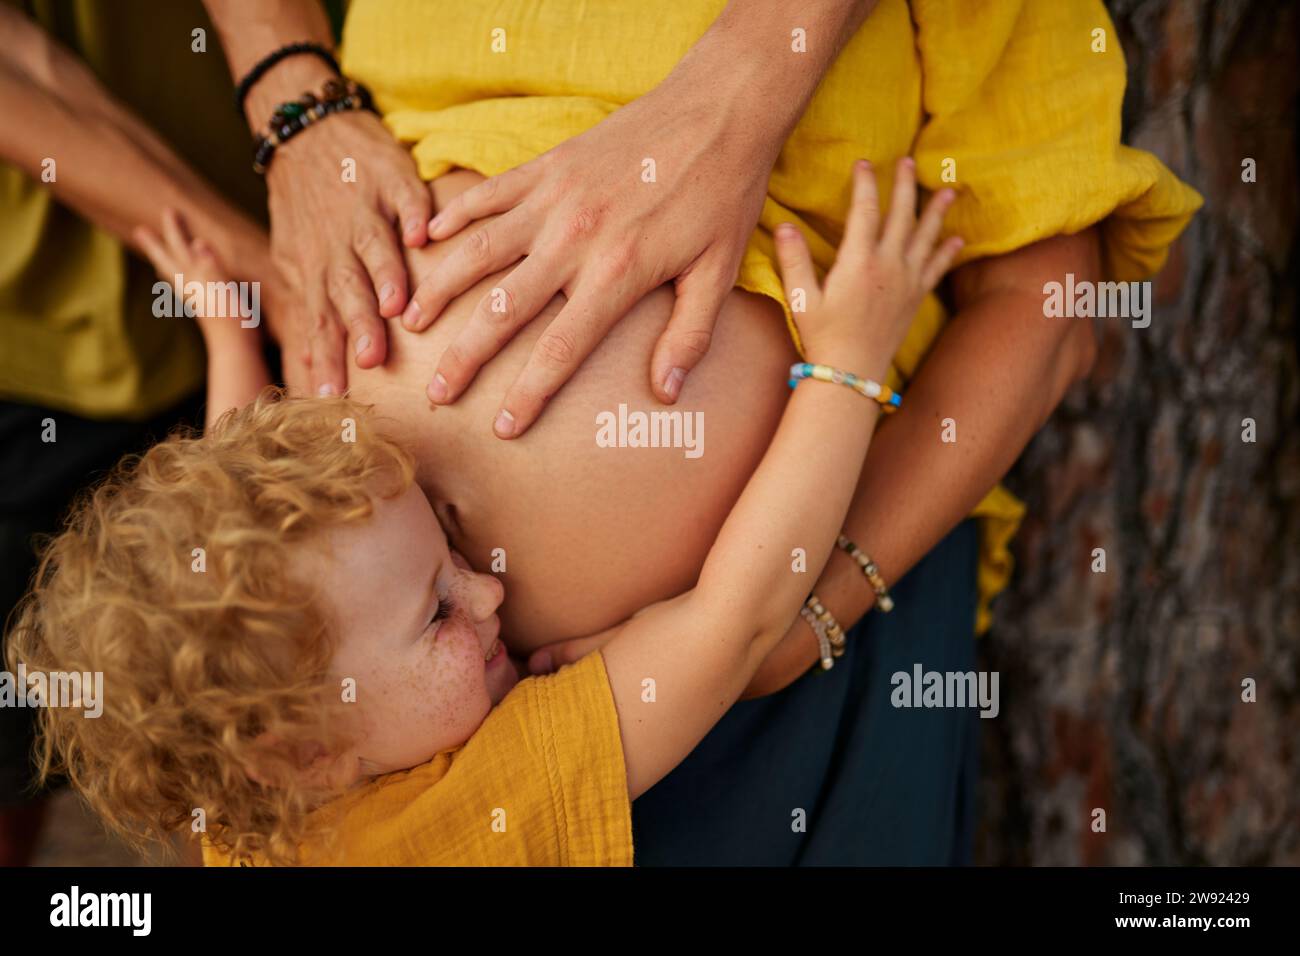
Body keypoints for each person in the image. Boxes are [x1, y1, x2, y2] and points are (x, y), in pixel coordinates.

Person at [195, 0, 1202, 863]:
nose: (487, 576)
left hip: (794, 665)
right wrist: (294, 106)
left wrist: (813, 609)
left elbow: (1046, 307)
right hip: (382, 699)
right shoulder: (273, 742)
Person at [7, 164, 961, 865]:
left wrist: (227, 333)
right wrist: (847, 366)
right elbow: (736, 618)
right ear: (308, 754)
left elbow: (235, 571)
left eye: (448, 550)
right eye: (437, 614)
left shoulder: (253, 777)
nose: (488, 586)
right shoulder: (465, 822)